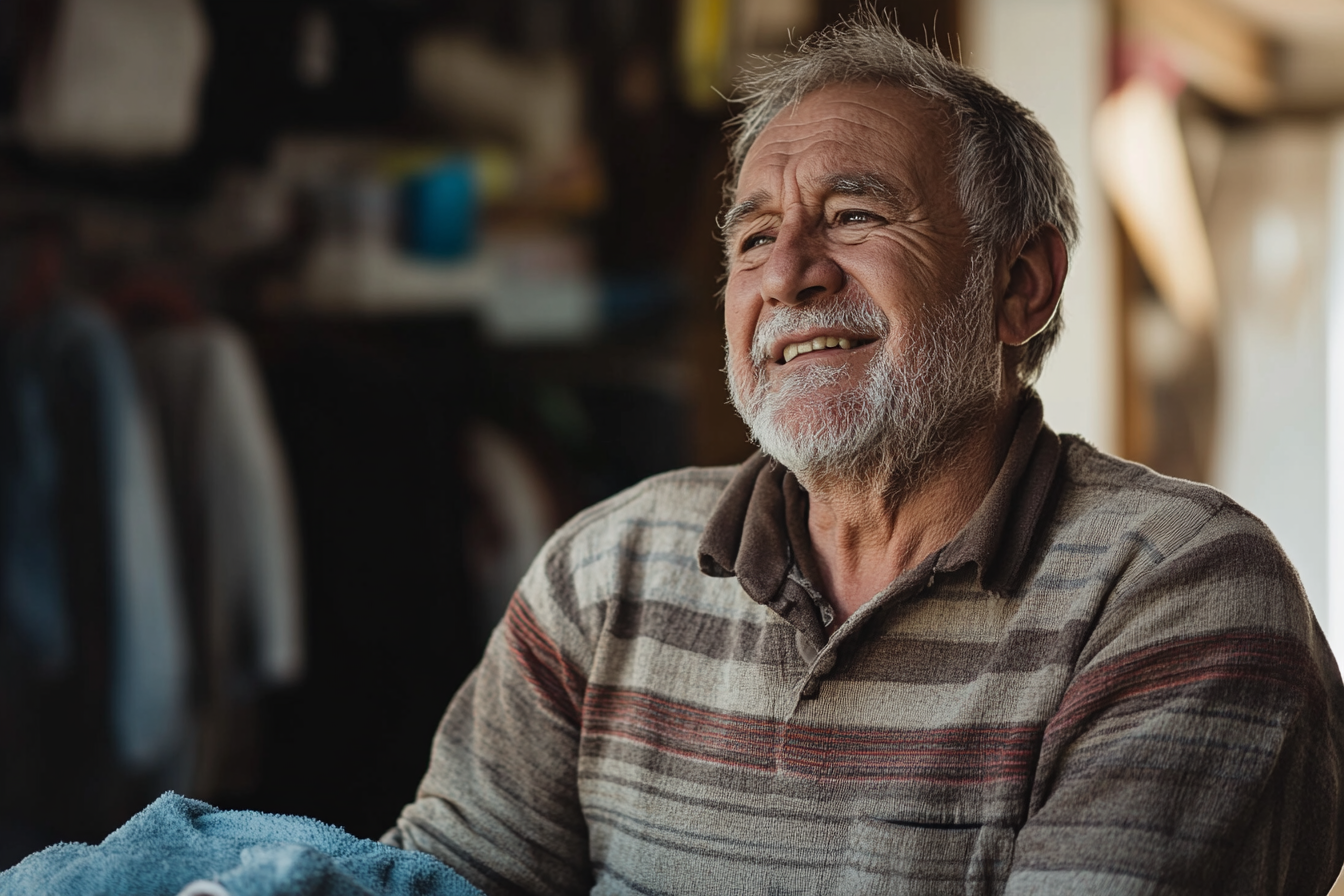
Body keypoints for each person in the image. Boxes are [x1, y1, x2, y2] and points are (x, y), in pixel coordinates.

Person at [385, 11, 1344, 895]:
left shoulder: (1183, 595)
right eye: (754, 238)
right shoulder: (605, 573)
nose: (789, 276)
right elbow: (444, 879)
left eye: (854, 215)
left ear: (1021, 285)